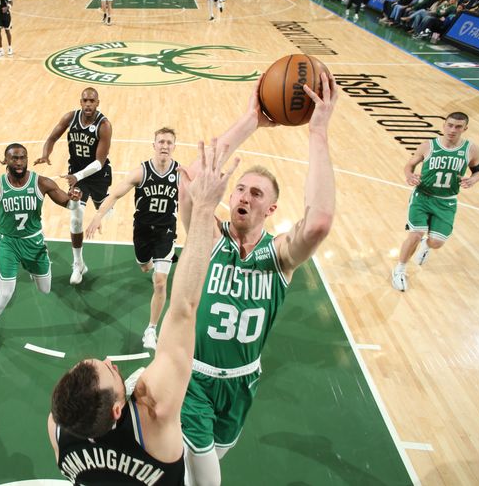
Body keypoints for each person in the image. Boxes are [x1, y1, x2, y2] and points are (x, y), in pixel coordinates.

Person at [48, 139, 238, 485]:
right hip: (147, 232)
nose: (109, 360)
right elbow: (183, 309)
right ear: (118, 412)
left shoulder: (58, 429)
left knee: (159, 279)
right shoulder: (157, 415)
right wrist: (205, 207)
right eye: (111, 370)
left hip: (161, 232)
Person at [179, 74, 338, 486]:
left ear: (271, 209)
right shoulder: (208, 235)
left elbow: (318, 222)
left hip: (242, 384)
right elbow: (186, 186)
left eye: (256, 193)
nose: (244, 197)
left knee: (198, 473)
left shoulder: (279, 257)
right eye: (240, 189)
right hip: (192, 379)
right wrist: (250, 121)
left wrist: (317, 132)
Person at [0, 143, 82, 352]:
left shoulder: (42, 183)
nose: (19, 162)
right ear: (6, 160)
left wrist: (75, 200)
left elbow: (67, 203)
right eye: (14, 158)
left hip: (34, 243)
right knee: (5, 293)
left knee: (45, 289)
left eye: (22, 158)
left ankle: (31, 268)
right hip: (8, 244)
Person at [85, 127, 180, 350]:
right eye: (161, 142)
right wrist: (98, 216)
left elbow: (192, 203)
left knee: (160, 282)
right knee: (145, 267)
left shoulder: (180, 174)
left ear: (174, 146)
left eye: (169, 142)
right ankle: (150, 263)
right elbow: (115, 194)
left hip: (166, 233)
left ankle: (151, 329)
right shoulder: (141, 172)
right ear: (153, 145)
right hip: (143, 232)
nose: (165, 146)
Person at [391, 112, 479, 292]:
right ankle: (399, 269)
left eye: (458, 126)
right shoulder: (428, 145)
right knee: (415, 234)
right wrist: (409, 176)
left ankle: (427, 246)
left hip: (446, 201)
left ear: (465, 128)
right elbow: (409, 165)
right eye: (449, 125)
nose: (452, 130)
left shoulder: (471, 149)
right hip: (423, 196)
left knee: (436, 243)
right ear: (444, 125)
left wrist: (473, 179)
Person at [34, 87, 113, 285]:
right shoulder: (70, 117)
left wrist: (76, 175)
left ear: (97, 103)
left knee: (104, 209)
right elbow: (52, 138)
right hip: (78, 179)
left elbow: (99, 163)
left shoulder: (104, 125)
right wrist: (46, 153)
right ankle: (78, 264)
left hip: (98, 175)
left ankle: (104, 203)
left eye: (92, 101)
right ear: (80, 102)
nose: (88, 104)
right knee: (76, 217)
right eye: (85, 100)